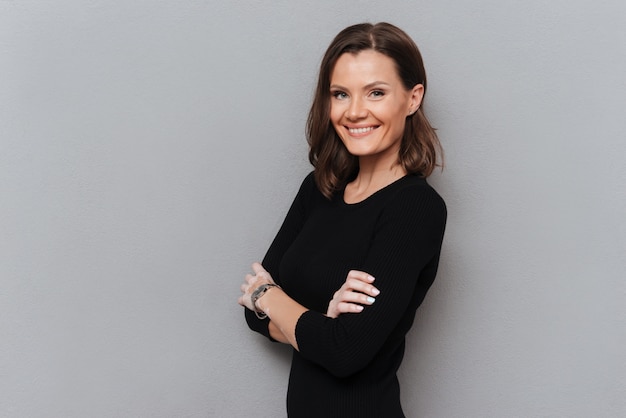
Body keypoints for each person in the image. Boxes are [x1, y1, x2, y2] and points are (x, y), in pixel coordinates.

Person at [238, 22, 447, 417]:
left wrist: (268, 296)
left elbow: (344, 352)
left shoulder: (416, 209)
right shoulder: (317, 190)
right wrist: (320, 323)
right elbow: (252, 320)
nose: (354, 112)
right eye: (340, 94)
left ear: (413, 97)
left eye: (376, 93)